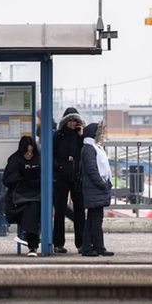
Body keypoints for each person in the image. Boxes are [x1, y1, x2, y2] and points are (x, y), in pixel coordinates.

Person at [51, 108, 87, 254]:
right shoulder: (58, 135)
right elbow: (52, 154)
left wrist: (80, 136)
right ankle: (58, 243)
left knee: (80, 210)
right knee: (59, 210)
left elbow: (85, 153)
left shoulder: (81, 137)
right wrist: (59, 167)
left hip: (77, 178)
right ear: (65, 121)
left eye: (75, 121)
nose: (72, 123)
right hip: (61, 178)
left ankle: (81, 243)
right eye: (70, 120)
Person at [3, 135, 44, 257]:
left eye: (31, 152)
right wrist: (20, 174)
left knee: (33, 207)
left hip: (34, 196)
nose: (29, 155)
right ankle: (32, 245)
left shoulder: (39, 159)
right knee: (31, 208)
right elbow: (6, 180)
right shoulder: (14, 160)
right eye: (26, 152)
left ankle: (29, 242)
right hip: (17, 199)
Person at [78, 122, 114, 257]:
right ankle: (98, 247)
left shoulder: (91, 147)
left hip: (95, 189)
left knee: (93, 219)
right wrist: (102, 184)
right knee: (96, 220)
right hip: (95, 188)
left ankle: (89, 247)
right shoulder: (89, 149)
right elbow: (92, 170)